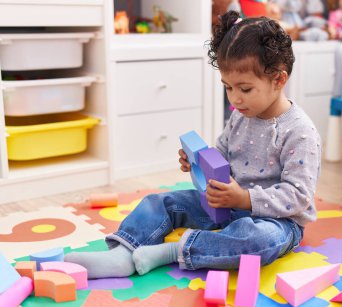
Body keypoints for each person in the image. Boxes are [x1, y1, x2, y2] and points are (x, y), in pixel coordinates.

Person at [65, 11, 321, 279]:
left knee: (258, 242)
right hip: (224, 204)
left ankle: (175, 251)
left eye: (244, 89)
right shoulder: (240, 115)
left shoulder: (300, 132)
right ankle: (123, 252)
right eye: (228, 87)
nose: (235, 98)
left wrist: (245, 198)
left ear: (279, 79)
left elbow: (299, 196)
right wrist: (199, 162)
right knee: (160, 201)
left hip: (277, 220)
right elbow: (222, 153)